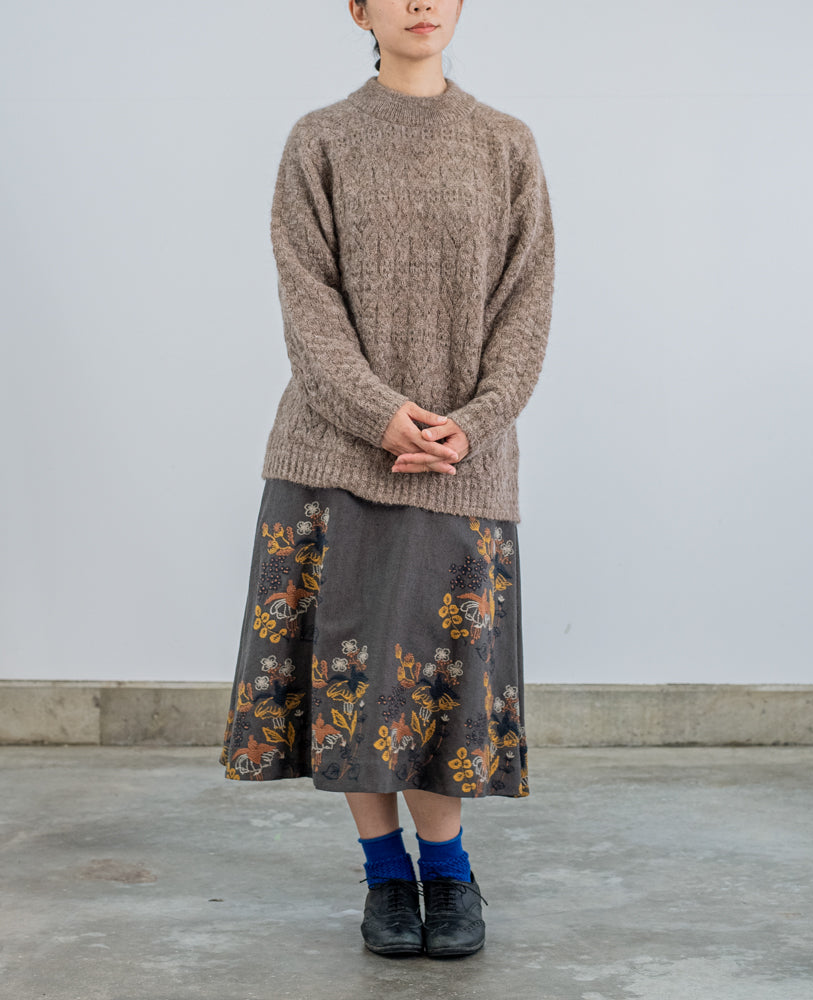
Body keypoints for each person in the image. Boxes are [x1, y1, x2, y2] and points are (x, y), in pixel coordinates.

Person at [219, 0, 555, 959]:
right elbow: (308, 304)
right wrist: (379, 414)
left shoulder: (504, 142)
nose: (420, 3)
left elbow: (526, 304)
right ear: (357, 9)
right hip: (333, 456)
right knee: (349, 677)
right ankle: (383, 875)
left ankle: (447, 872)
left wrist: (470, 423)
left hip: (462, 463)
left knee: (443, 682)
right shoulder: (320, 140)